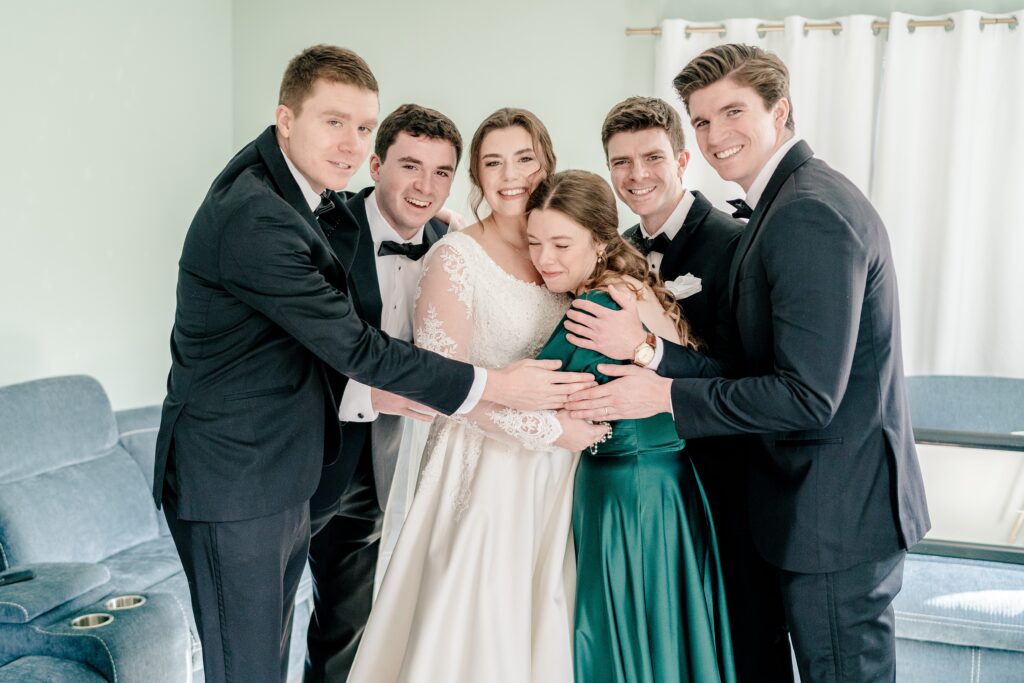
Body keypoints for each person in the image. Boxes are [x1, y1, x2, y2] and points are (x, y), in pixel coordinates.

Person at [154, 47, 594, 683]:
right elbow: (355, 348)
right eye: (334, 123)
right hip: (238, 474)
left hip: (292, 464)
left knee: (299, 644)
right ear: (285, 118)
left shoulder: (305, 195)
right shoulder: (258, 216)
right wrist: (497, 386)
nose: (350, 143)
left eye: (362, 126)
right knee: (246, 665)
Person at [563, 44, 930, 682]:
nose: (716, 135)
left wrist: (662, 394)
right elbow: (748, 366)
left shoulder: (807, 211)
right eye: (703, 121)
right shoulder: (788, 201)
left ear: (779, 111)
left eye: (733, 112)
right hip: (805, 507)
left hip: (832, 514)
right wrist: (654, 356)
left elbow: (808, 396)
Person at [347, 109, 607, 683]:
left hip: (558, 483)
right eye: (493, 162)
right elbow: (443, 389)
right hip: (481, 475)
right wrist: (549, 430)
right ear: (477, 175)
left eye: (524, 159)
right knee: (480, 635)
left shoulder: (565, 253)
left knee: (548, 631)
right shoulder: (455, 257)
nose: (510, 175)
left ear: (547, 163)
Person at [599, 96, 792, 681]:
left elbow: (748, 372)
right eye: (621, 162)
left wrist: (650, 351)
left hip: (727, 481)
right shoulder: (616, 249)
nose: (637, 175)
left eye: (653, 157)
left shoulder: (736, 243)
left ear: (682, 159)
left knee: (743, 641)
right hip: (652, 487)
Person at [527, 169, 735, 683]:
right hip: (670, 485)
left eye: (560, 243)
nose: (543, 258)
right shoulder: (632, 287)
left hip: (624, 492)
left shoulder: (597, 306)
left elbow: (531, 395)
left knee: (621, 636)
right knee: (661, 633)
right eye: (532, 242)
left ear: (600, 242)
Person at [303, 103, 464, 681]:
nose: (425, 187)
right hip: (299, 455)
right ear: (375, 165)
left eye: (442, 172)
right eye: (410, 166)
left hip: (381, 463)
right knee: (262, 619)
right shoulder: (319, 231)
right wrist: (374, 396)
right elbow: (292, 357)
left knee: (344, 625)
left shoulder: (452, 245)